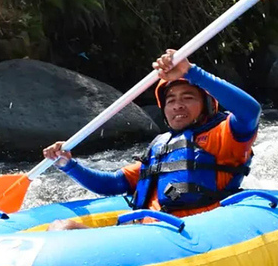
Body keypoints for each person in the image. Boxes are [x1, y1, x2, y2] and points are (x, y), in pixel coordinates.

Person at [43, 49, 261, 230]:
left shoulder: (224, 136)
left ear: (208, 106)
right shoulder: (160, 146)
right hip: (146, 235)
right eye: (171, 101)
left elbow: (250, 111)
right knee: (57, 226)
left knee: (65, 229)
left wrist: (191, 72)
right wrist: (67, 164)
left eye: (188, 98)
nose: (177, 105)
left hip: (191, 234)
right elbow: (113, 183)